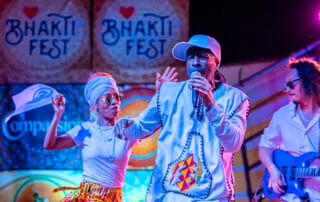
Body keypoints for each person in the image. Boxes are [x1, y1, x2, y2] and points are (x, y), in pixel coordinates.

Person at [115, 34, 250, 201]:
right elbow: (140, 128)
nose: (194, 62)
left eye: (202, 57)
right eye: (190, 57)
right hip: (169, 194)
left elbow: (233, 143)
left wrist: (211, 105)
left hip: (212, 196)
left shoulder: (235, 98)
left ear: (216, 62)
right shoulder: (168, 92)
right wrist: (125, 126)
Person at [43, 70, 177, 201]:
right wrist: (57, 115)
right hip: (87, 198)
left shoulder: (127, 129)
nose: (114, 102)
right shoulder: (85, 130)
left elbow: (154, 119)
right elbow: (50, 145)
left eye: (117, 97)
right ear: (96, 104)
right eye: (108, 98)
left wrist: (161, 93)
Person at [258, 57, 320, 202]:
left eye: (291, 84)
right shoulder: (282, 116)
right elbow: (265, 147)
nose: (287, 90)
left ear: (309, 80)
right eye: (285, 85)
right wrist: (273, 169)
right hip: (290, 197)